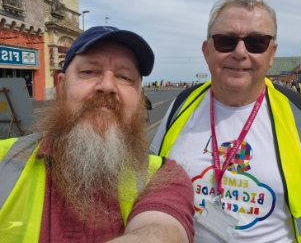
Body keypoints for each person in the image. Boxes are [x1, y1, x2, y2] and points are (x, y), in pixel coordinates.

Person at [150, 0, 301, 242]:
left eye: (256, 42)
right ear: (207, 51)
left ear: (271, 54)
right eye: (226, 41)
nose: (240, 52)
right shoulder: (179, 108)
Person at [0, 26, 194, 242]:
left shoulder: (164, 177)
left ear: (139, 99)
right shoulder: (4, 160)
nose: (108, 85)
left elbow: (162, 231)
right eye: (90, 72)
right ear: (61, 86)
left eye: (124, 77)